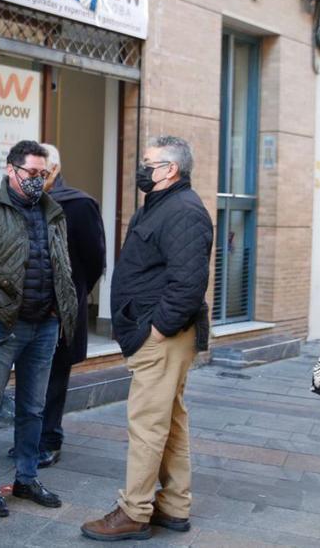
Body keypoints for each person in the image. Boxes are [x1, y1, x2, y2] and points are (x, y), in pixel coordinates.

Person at [82, 136, 212, 542]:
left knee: (147, 425)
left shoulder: (184, 212)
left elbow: (188, 284)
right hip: (158, 334)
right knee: (169, 422)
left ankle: (134, 511)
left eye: (148, 162)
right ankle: (173, 506)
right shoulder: (162, 206)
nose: (142, 167)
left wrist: (155, 330)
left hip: (162, 337)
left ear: (170, 169)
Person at [0, 140, 77, 517]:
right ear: (11, 170)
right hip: (1, 327)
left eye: (43, 174)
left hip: (44, 325)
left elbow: (62, 265)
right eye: (32, 173)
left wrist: (64, 311)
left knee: (33, 408)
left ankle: (27, 478)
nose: (38, 180)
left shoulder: (54, 212)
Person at [35, 143, 107, 466]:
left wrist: (74, 293)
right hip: (26, 307)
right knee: (30, 375)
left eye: (39, 169)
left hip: (60, 308)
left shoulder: (78, 205)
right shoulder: (22, 202)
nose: (33, 175)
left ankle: (50, 438)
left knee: (54, 376)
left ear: (54, 169)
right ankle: (30, 437)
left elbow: (95, 259)